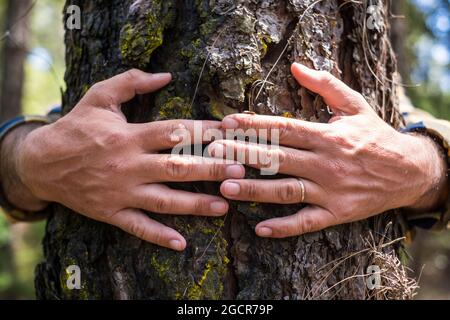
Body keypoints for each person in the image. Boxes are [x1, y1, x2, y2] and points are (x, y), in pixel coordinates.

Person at [0, 64, 448, 251]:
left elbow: (431, 141)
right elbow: (31, 143)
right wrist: (28, 159)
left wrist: (422, 165)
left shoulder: (387, 101)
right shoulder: (84, 107)